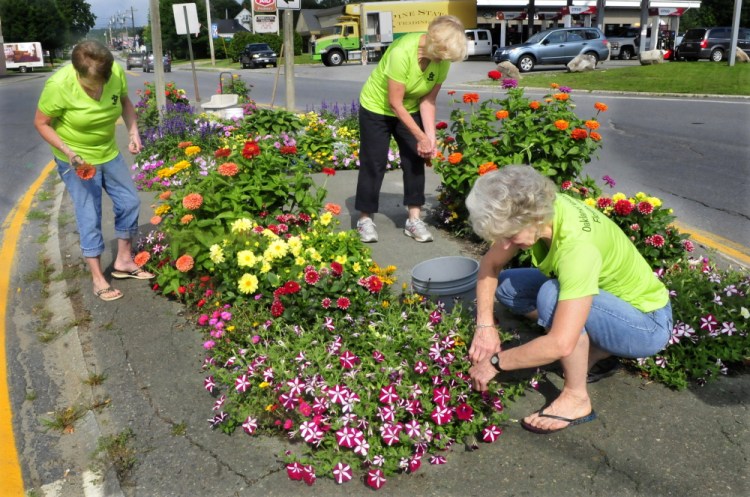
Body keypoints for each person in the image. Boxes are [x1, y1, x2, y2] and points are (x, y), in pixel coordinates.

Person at [466, 165, 672, 434]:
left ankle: (577, 398)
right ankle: (594, 345)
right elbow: (490, 266)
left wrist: (494, 363)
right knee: (507, 287)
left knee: (552, 296)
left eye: (509, 236)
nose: (504, 245)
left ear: (533, 218)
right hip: (610, 304)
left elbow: (560, 344)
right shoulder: (538, 206)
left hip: (645, 325)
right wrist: (485, 327)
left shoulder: (577, 248)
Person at [34, 40, 153, 302]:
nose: (98, 88)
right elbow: (41, 123)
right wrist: (69, 153)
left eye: (102, 81)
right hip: (76, 158)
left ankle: (123, 260)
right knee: (90, 213)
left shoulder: (115, 73)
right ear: (77, 73)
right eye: (91, 84)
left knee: (130, 201)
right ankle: (98, 277)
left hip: (108, 152)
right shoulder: (58, 86)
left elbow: (124, 102)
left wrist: (133, 131)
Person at [354, 15, 467, 243]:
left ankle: (413, 220)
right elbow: (394, 102)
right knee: (374, 162)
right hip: (377, 107)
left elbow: (428, 102)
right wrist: (420, 135)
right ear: (435, 43)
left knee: (415, 158)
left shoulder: (441, 60)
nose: (445, 61)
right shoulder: (402, 52)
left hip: (409, 106)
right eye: (444, 55)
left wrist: (430, 139)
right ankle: (365, 219)